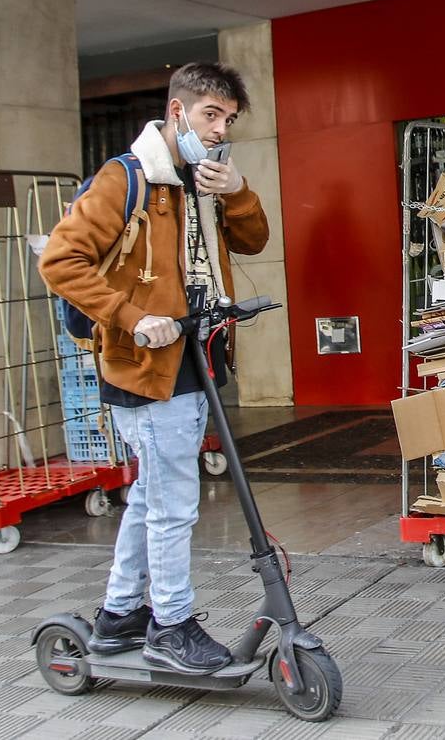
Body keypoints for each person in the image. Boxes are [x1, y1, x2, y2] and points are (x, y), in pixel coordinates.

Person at [40, 63, 270, 674]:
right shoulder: (126, 178)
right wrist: (131, 315)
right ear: (177, 112)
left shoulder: (202, 179)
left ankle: (118, 616)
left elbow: (253, 242)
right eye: (210, 115)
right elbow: (62, 261)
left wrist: (237, 192)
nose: (220, 129)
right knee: (174, 504)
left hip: (196, 354)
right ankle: (170, 624)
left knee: (152, 494)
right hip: (143, 363)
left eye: (228, 119)